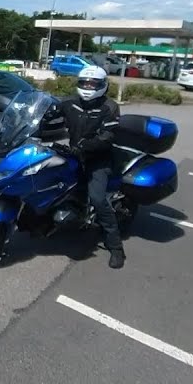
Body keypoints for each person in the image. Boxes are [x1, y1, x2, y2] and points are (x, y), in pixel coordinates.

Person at [49, 65, 125, 269]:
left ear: (103, 85)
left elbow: (107, 137)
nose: (88, 87)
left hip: (98, 159)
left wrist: (85, 146)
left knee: (98, 199)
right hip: (73, 154)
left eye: (93, 84)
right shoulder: (69, 102)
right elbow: (50, 114)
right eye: (85, 83)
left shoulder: (109, 107)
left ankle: (116, 247)